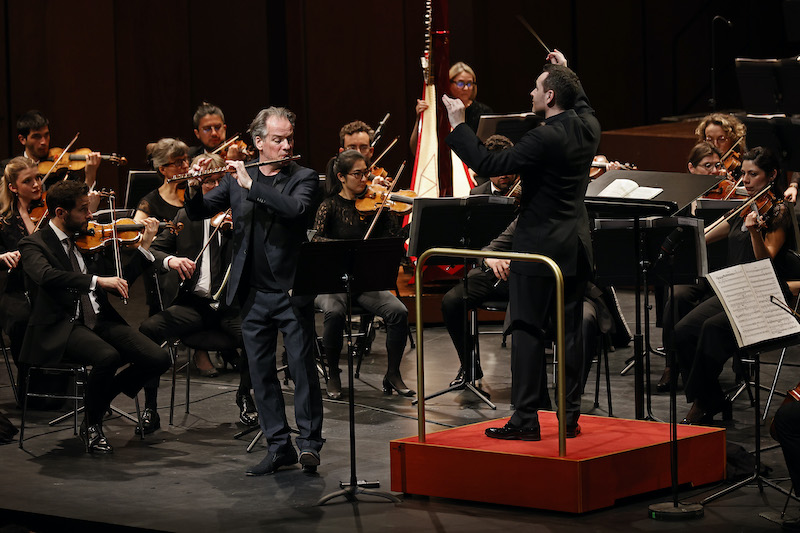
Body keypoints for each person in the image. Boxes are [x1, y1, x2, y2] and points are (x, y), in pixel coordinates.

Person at [444, 49, 600, 440]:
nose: (532, 92)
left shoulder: (544, 136)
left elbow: (489, 165)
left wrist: (458, 123)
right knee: (569, 334)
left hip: (538, 247)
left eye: (537, 87)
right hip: (575, 245)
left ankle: (525, 420)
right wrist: (564, 70)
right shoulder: (589, 126)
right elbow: (579, 101)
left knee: (527, 329)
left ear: (549, 97)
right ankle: (569, 418)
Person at [184, 106, 323, 476]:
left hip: (292, 292)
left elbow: (296, 210)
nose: (286, 145)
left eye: (289, 138)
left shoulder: (304, 177)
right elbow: (199, 212)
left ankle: (309, 445)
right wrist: (194, 185)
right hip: (253, 293)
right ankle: (279, 446)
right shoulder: (234, 181)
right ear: (258, 142)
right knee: (260, 373)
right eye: (277, 139)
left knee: (302, 368)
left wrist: (252, 186)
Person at [18, 180, 170, 453]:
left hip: (99, 321)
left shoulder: (90, 239)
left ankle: (97, 401)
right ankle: (91, 423)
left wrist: (144, 246)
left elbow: (121, 280)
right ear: (61, 213)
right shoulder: (33, 244)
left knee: (158, 358)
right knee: (107, 357)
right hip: (62, 326)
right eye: (83, 210)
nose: (90, 216)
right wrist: (96, 280)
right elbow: (46, 276)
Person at [137, 154, 258, 434]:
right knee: (147, 330)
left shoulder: (240, 216)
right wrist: (172, 261)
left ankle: (244, 395)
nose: (214, 187)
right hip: (194, 305)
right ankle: (150, 408)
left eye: (220, 181)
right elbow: (154, 250)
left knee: (255, 337)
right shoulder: (185, 215)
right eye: (208, 182)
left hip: (230, 306)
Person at [674, 147, 793, 424]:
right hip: (735, 290)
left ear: (772, 175)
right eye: (743, 174)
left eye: (754, 174)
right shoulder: (744, 208)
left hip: (764, 295)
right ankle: (712, 398)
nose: (746, 180)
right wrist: (680, 237)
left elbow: (765, 260)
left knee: (711, 329)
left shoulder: (778, 212)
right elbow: (705, 236)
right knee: (683, 330)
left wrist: (754, 230)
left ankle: (704, 402)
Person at [312, 149, 413, 400]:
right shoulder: (329, 206)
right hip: (333, 283)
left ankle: (393, 373)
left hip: (365, 282)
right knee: (334, 312)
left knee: (398, 312)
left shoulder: (376, 205)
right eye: (358, 174)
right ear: (341, 177)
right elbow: (315, 239)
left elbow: (392, 241)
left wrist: (388, 211)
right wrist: (342, 248)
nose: (365, 180)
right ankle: (333, 373)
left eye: (366, 173)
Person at [0, 158, 44, 372]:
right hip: (15, 287)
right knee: (21, 319)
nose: (36, 184)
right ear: (13, 187)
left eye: (37, 177)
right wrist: (2, 257)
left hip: (45, 283)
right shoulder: (3, 220)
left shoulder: (50, 211)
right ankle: (29, 379)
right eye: (28, 181)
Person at [2, 110, 101, 189]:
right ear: (22, 139)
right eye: (36, 137)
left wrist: (90, 176)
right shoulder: (7, 168)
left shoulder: (61, 171)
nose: (44, 142)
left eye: (46, 135)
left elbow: (81, 203)